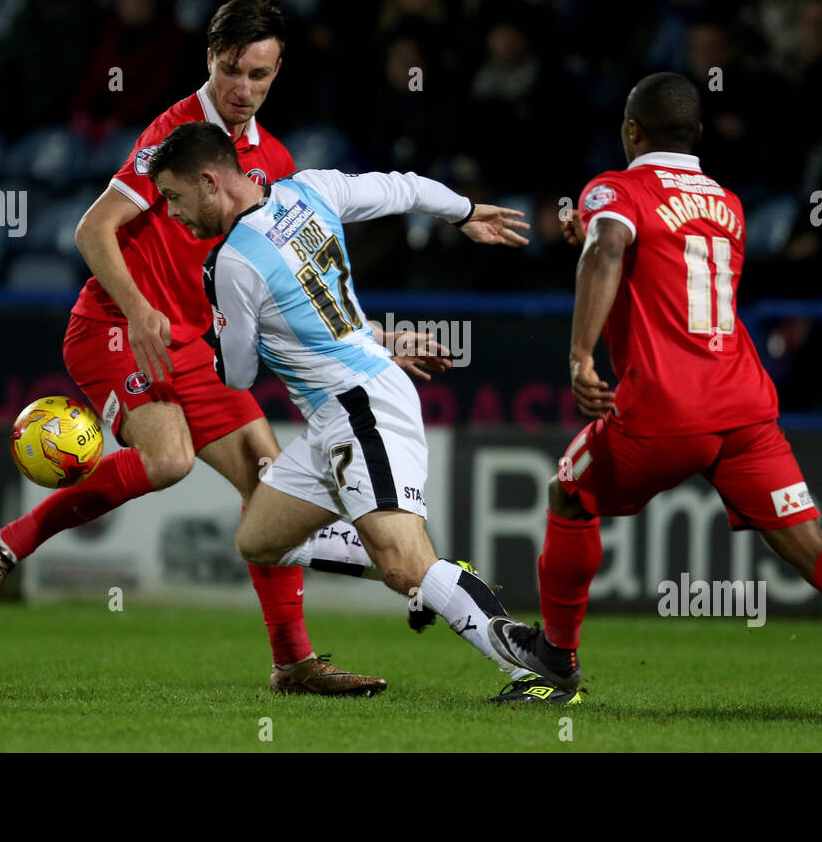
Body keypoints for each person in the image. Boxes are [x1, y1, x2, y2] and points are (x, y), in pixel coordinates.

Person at [0, 0, 442, 697]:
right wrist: (141, 309)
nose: (242, 89)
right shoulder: (173, 134)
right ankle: (6, 545)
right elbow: (93, 231)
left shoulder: (273, 159)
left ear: (277, 72)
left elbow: (298, 280)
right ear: (208, 59)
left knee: (268, 483)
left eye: (259, 75)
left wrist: (374, 339)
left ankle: (293, 664)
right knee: (168, 458)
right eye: (230, 70)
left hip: (195, 344)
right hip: (118, 327)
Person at [488, 72, 822, 729]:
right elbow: (654, 258)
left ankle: (557, 658)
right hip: (745, 409)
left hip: (663, 410)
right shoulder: (728, 202)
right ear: (697, 135)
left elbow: (613, 246)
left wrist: (581, 355)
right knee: (815, 548)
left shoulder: (616, 187)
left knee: (567, 495)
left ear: (633, 131)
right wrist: (597, 237)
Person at [146, 121, 577, 705]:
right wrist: (464, 211)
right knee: (259, 539)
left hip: (359, 408)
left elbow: (239, 375)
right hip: (338, 411)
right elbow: (403, 188)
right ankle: (426, 568)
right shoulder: (310, 189)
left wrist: (215, 331)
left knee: (405, 567)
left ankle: (543, 671)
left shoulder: (230, 264)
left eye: (173, 197)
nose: (172, 214)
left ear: (208, 181)